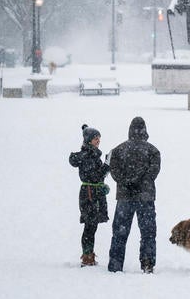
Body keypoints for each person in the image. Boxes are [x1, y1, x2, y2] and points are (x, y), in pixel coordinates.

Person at [107, 117, 161, 274]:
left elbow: (114, 171)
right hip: (146, 197)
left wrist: (126, 182)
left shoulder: (118, 150)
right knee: (148, 233)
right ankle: (147, 264)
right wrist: (141, 182)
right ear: (145, 130)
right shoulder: (153, 151)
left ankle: (115, 264)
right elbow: (153, 172)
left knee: (119, 233)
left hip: (125, 196)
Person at [69, 124, 110, 267]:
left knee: (92, 226)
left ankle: (89, 254)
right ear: (88, 140)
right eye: (95, 138)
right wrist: (107, 165)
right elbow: (95, 176)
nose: (98, 140)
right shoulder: (87, 156)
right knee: (90, 226)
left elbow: (97, 178)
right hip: (89, 195)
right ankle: (87, 257)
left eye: (99, 138)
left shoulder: (92, 154)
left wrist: (102, 186)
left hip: (93, 193)